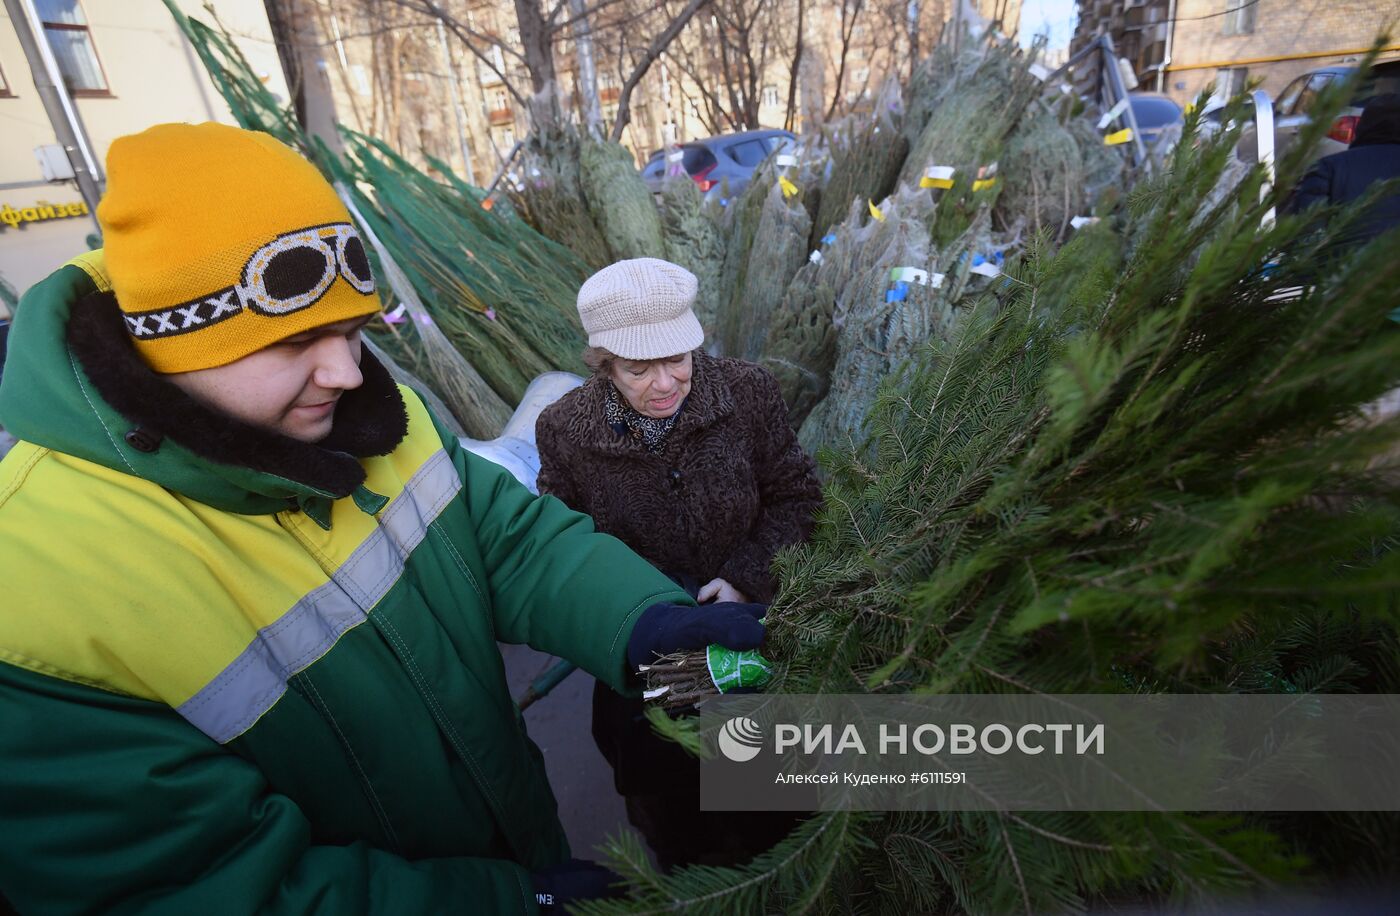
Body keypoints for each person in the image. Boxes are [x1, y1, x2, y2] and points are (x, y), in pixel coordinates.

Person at [0, 123, 768, 915]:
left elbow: (502, 537)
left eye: (352, 332)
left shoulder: (372, 422)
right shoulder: (34, 601)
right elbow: (186, 887)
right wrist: (502, 904)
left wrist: (641, 624)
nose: (344, 372)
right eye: (295, 341)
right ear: (173, 342)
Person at [535, 257, 823, 868]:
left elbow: (797, 495)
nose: (665, 383)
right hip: (650, 644)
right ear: (605, 364)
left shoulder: (746, 393)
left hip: (746, 633)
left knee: (768, 793)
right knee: (673, 797)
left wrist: (746, 578)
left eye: (678, 360)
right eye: (639, 369)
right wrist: (648, 602)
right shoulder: (563, 430)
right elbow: (562, 545)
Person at [1283, 92, 1400, 252]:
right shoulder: (1329, 168)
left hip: (1344, 272)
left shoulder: (1328, 167)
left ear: (1365, 125)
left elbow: (1306, 236)